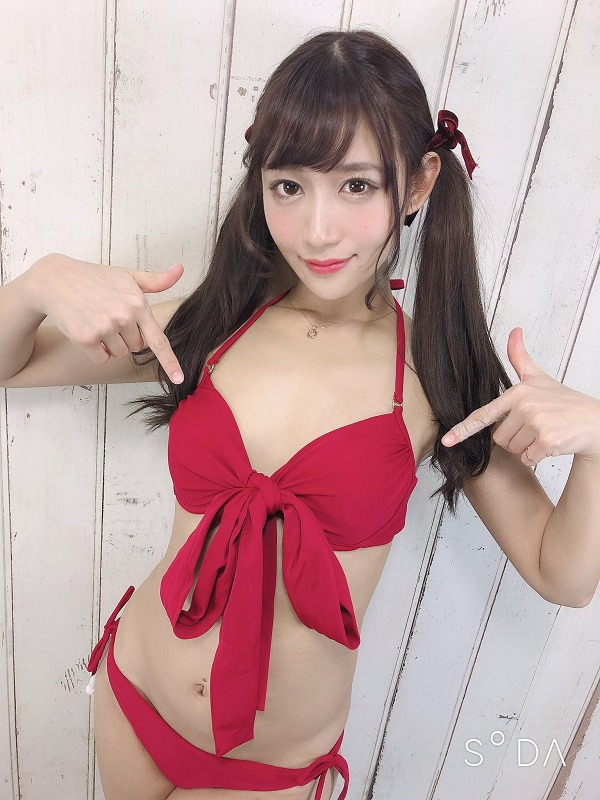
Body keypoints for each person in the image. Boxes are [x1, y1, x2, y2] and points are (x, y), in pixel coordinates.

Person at [1, 27, 599, 800]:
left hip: (271, 768)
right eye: (289, 186)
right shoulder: (213, 326)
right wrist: (36, 284)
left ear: (418, 184)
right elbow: (13, 363)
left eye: (356, 186)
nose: (318, 229)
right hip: (134, 696)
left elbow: (561, 574)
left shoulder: (437, 376)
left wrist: (598, 443)